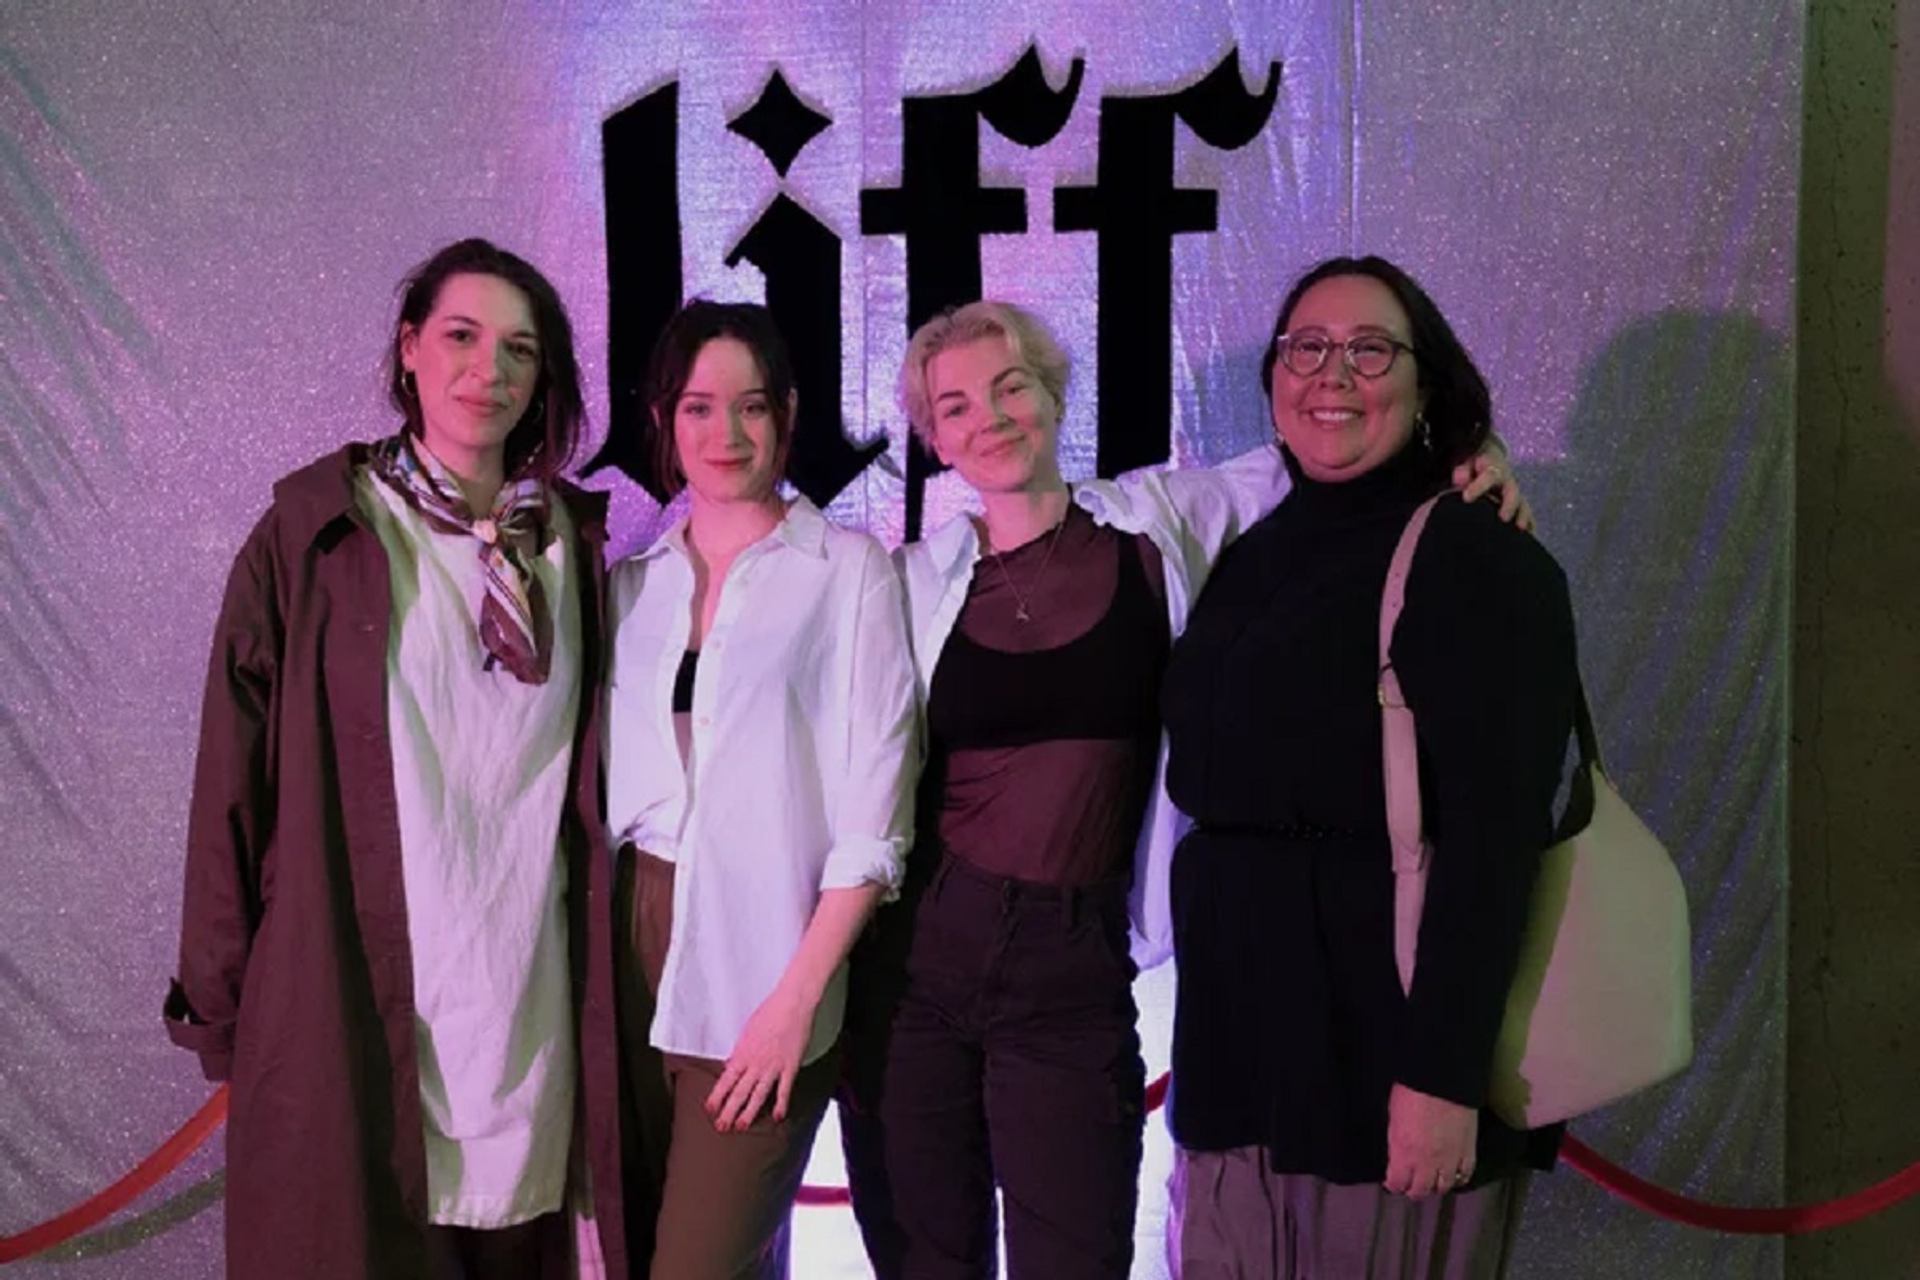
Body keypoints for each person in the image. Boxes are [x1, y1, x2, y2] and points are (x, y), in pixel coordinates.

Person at [838, 301, 1531, 1279]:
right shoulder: (908, 579)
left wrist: (1473, 454)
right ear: (934, 439)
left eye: (1009, 386)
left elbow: (1330, 442)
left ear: (1050, 394)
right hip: (913, 973)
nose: (989, 417)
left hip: (1068, 969)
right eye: (955, 407)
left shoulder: (1158, 522)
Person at [165, 238, 626, 1279]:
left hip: (524, 1005)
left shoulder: (570, 545)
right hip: (354, 994)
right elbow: (230, 778)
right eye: (461, 336)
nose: (490, 371)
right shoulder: (318, 531)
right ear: (409, 348)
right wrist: (220, 994)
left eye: (519, 348)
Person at [1159, 256, 1579, 1278]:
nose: (1332, 374)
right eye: (1307, 347)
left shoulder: (1477, 554)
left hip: (1382, 1063)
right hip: (1238, 1060)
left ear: (1427, 381)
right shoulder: (1256, 546)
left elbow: (1494, 838)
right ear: (1272, 377)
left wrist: (1440, 1076)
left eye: (1369, 349)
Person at [604, 300, 919, 1279]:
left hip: (771, 957)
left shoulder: (849, 568)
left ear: (786, 413)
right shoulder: (631, 580)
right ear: (663, 419)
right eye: (698, 407)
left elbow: (877, 811)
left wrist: (797, 998)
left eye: (750, 406)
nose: (725, 434)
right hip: (625, 944)